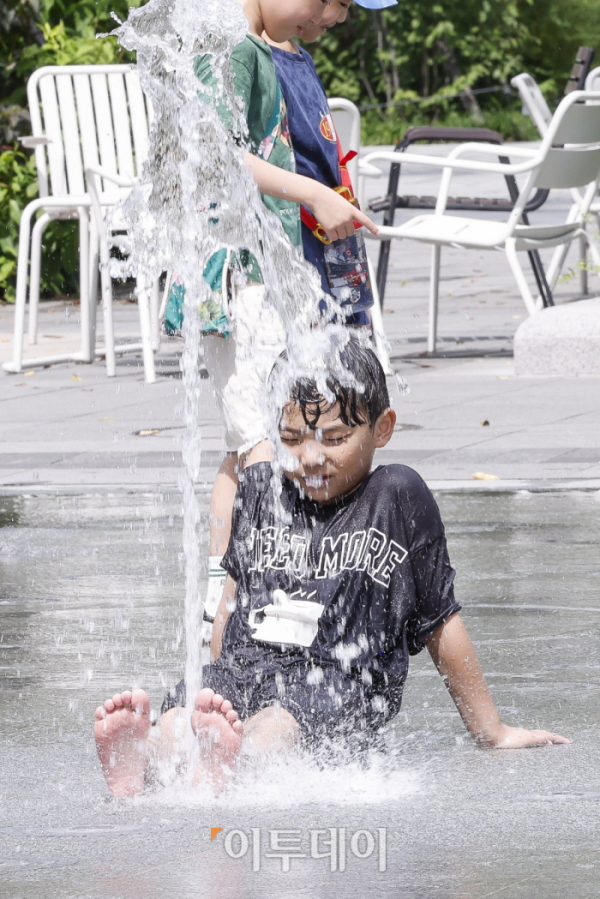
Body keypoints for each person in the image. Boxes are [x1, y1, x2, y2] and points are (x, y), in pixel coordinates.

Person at [94, 338, 569, 798]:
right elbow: (231, 603)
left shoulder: (395, 497)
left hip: (341, 679)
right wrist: (217, 685)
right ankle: (141, 762)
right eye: (291, 439)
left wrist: (492, 730)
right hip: (247, 665)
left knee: (276, 725)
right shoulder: (263, 487)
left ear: (382, 428)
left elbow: (441, 621)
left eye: (335, 438)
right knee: (184, 715)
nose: (311, 458)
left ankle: (229, 764)